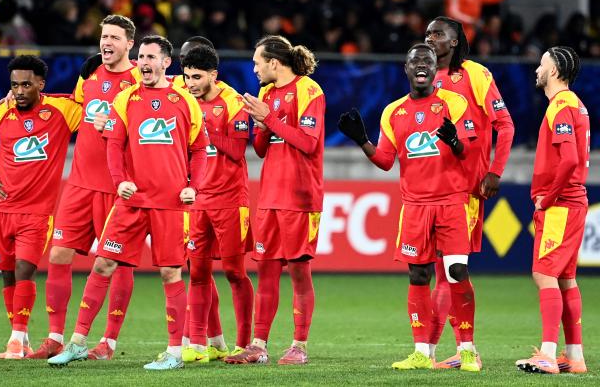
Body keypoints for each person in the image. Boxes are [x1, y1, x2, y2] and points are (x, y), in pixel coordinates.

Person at [47, 35, 208, 370]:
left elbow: (199, 149)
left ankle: (175, 351)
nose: (144, 63)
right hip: (132, 202)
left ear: (167, 62)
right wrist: (121, 181)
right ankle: (77, 342)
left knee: (170, 273)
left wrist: (195, 185)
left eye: (151, 57)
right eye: (141, 57)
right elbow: (114, 145)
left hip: (170, 204)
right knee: (103, 264)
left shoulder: (184, 100)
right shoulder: (126, 98)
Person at [338, 44, 480, 371]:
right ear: (406, 68)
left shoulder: (454, 104)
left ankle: (469, 349)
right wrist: (362, 141)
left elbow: (468, 154)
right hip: (415, 206)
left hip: (450, 202)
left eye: (427, 61)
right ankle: (421, 352)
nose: (421, 66)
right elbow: (387, 162)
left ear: (434, 69)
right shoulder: (393, 112)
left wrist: (455, 142)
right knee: (418, 274)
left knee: (457, 271)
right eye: (415, 61)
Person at [27, 15, 141, 360]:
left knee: (117, 263)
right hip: (79, 182)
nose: (106, 43)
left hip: (116, 186)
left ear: (129, 44)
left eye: (114, 38)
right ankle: (55, 336)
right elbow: (76, 107)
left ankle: (108, 342)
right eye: (103, 36)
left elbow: (146, 133)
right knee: (59, 255)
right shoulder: (89, 71)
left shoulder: (139, 79)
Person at [0, 55, 81, 359]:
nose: (19, 91)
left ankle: (16, 340)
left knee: (23, 270)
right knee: (7, 273)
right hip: (2, 210)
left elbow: (94, 103)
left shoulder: (61, 110)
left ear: (41, 84)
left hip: (37, 212)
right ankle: (21, 337)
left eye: (26, 84)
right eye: (15, 85)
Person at [225, 35, 324, 365]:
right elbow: (263, 149)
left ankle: (299, 345)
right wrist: (262, 125)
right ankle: (259, 344)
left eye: (257, 62)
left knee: (298, 272)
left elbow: (308, 144)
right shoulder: (267, 94)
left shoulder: (310, 91)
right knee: (265, 271)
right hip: (269, 195)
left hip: (300, 196)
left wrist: (269, 119)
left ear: (274, 63)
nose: (253, 68)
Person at [424, 16, 515, 369]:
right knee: (434, 270)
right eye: (428, 33)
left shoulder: (476, 75)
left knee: (453, 268)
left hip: (465, 188)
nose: (430, 39)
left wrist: (494, 172)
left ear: (456, 40)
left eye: (438, 33)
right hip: (431, 188)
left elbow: (505, 125)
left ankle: (465, 349)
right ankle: (430, 351)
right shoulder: (424, 78)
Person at [516, 46, 588, 374]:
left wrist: (548, 196)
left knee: (544, 274)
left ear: (555, 70)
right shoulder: (576, 105)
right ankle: (574, 358)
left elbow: (570, 159)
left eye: (542, 64)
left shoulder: (560, 105)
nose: (536, 69)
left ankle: (548, 353)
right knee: (565, 279)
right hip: (573, 203)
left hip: (561, 204)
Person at [181, 45, 255, 362]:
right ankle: (200, 344)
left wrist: (205, 127)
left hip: (229, 199)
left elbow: (238, 152)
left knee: (235, 273)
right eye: (186, 77)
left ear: (214, 74)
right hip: (198, 199)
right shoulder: (185, 101)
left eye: (197, 77)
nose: (190, 84)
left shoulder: (233, 103)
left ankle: (243, 343)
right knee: (196, 272)